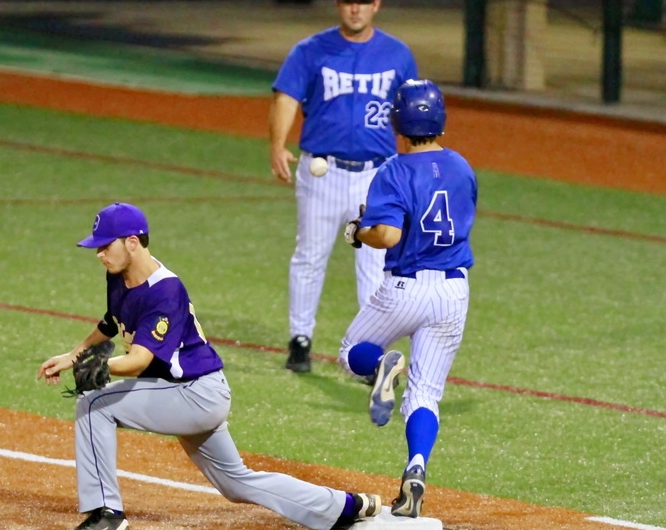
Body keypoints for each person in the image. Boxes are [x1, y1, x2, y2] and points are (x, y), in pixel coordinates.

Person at [37, 202, 382, 530]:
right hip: (184, 392)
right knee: (236, 483)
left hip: (195, 394)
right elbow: (113, 320)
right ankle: (344, 506)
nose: (99, 254)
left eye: (104, 246)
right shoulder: (119, 274)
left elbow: (140, 359)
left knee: (93, 404)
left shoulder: (165, 290)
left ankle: (106, 514)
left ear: (131, 243)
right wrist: (76, 354)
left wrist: (101, 366)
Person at [340, 79, 477, 518]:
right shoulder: (462, 167)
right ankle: (416, 470)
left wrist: (361, 231)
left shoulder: (394, 170)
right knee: (424, 395)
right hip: (453, 290)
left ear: (397, 120)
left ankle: (381, 365)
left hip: (407, 287)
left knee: (350, 352)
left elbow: (390, 235)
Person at [269, 0, 419, 373]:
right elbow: (285, 97)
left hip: (377, 176)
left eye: (363, 1)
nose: (355, 9)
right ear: (339, 5)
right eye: (348, 1)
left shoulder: (397, 54)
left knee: (376, 264)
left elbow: (410, 110)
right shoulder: (310, 50)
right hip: (323, 170)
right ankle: (300, 340)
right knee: (310, 257)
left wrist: (412, 162)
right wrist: (277, 144)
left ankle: (370, 350)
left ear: (376, 4)